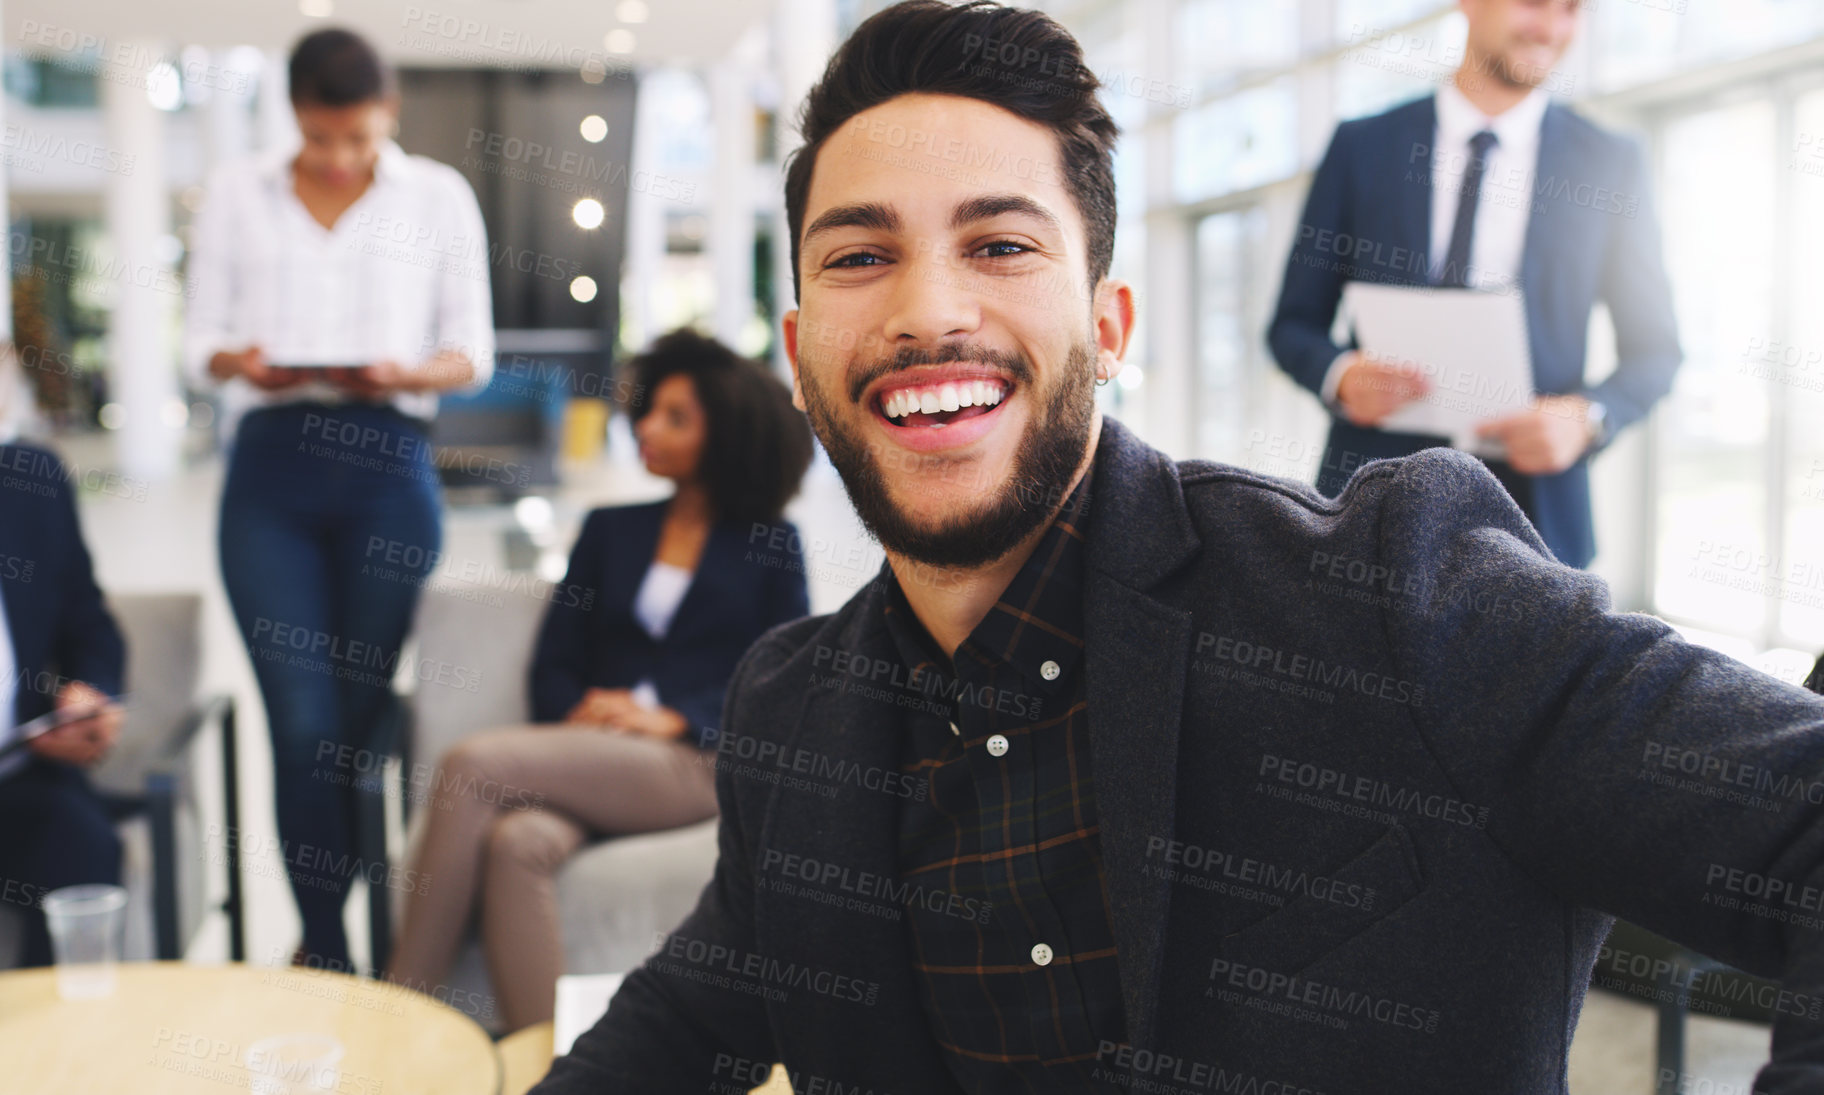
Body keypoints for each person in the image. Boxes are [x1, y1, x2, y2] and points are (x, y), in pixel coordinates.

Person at [531, 3, 1824, 1092]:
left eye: (1000, 244)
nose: (930, 309)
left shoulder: (1395, 596)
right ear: (803, 357)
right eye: (863, 255)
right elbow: (690, 1024)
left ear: (1109, 323)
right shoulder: (795, 705)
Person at [385, 329, 813, 1031]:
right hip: (593, 756)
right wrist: (583, 712)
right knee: (516, 843)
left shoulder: (771, 543)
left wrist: (674, 716)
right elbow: (553, 661)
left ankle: (396, 1014)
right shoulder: (612, 529)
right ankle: (551, 1064)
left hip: (694, 760)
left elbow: (780, 674)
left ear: (727, 433)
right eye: (648, 411)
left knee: (470, 766)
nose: (646, 427)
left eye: (676, 417)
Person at [183, 28, 495, 970]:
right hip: (270, 472)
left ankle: (367, 938)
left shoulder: (438, 197)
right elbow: (199, 340)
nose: (337, 157)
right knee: (303, 721)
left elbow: (469, 354)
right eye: (319, 138)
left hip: (387, 471)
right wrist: (244, 361)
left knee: (357, 730)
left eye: (355, 137)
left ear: (387, 114)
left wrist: (403, 370)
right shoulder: (238, 194)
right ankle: (324, 947)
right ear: (292, 116)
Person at [1266, 0, 1681, 569]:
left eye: (1571, 10)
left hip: (1537, 519)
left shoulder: (1609, 162)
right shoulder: (1363, 147)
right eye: (1534, 3)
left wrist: (1588, 419)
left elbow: (1656, 352)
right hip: (1370, 503)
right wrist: (1340, 376)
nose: (1551, 28)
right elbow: (1292, 325)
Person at [0, 342, 127, 968]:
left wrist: (88, 693)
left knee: (81, 847)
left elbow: (89, 624)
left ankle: (59, 1055)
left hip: (19, 774)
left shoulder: (30, 479)